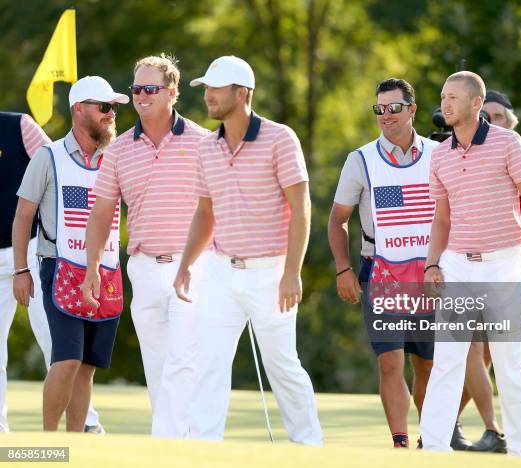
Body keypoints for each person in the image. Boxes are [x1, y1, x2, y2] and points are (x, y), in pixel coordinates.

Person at [174, 55, 323, 445]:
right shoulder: (207, 147)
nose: (207, 96)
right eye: (205, 89)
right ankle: (205, 447)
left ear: (241, 93)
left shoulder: (280, 138)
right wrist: (187, 263)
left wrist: (292, 271)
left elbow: (301, 207)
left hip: (271, 272)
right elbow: (205, 212)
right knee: (210, 363)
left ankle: (309, 446)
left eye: (215, 89)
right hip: (222, 270)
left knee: (282, 365)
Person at [419, 71, 521, 457]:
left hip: (505, 264)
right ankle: (435, 450)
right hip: (457, 264)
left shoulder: (508, 143)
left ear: (477, 103)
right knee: (446, 360)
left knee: (509, 363)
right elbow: (441, 218)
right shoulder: (439, 154)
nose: (445, 104)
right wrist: (431, 265)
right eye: (443, 97)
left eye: (454, 97)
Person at [82, 54, 211, 438]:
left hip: (192, 267)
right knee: (157, 363)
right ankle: (176, 446)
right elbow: (102, 212)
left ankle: (172, 443)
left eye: (150, 88)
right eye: (136, 88)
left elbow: (220, 203)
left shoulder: (204, 142)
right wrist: (91, 267)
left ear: (171, 92)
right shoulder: (120, 149)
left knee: (182, 359)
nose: (140, 95)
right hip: (142, 267)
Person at [12, 76, 128, 432]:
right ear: (79, 109)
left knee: (88, 365)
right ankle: (47, 442)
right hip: (58, 269)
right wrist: (21, 271)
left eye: (114, 108)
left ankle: (75, 444)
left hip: (106, 272)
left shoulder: (117, 157)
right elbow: (23, 216)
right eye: (104, 107)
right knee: (66, 359)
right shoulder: (49, 157)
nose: (111, 114)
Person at [328, 78, 438, 448]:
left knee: (427, 364)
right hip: (380, 272)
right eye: (379, 109)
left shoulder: (441, 154)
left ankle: (431, 438)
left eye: (393, 108)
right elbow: (337, 219)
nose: (385, 115)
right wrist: (343, 269)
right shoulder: (360, 160)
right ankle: (400, 443)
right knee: (390, 361)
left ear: (412, 109)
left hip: (431, 274)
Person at [0, 112, 104, 433]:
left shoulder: (18, 126)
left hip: (31, 247)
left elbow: (61, 172)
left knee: (55, 339)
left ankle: (85, 422)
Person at [452, 89, 521, 452]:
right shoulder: (456, 152)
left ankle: (464, 429)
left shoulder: (516, 153)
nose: (489, 120)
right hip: (463, 265)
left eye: (498, 116)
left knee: (499, 360)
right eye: (484, 113)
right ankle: (489, 429)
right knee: (467, 351)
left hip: (503, 266)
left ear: (509, 123)